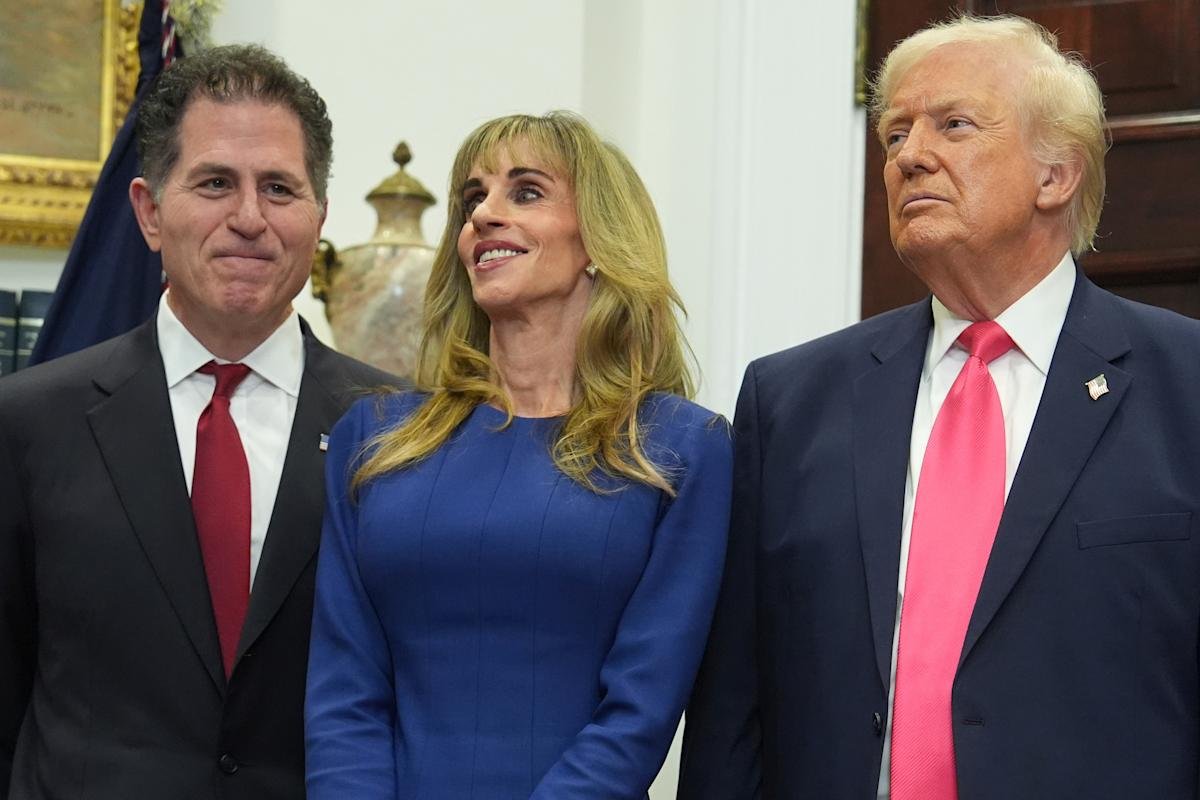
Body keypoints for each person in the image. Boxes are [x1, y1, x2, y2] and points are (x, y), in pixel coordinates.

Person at [679, 13, 1200, 800]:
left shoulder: (1183, 384)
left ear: (1056, 174)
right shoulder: (790, 403)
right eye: (895, 135)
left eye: (953, 125)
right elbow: (733, 708)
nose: (909, 156)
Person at [0, 45, 395, 800]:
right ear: (149, 212)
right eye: (215, 183)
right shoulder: (27, 424)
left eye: (279, 188)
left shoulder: (396, 433)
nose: (249, 218)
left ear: (318, 219)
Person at [304, 110, 733, 798]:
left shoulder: (680, 448)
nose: (483, 214)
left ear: (598, 239)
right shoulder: (372, 439)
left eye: (526, 192)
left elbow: (639, 711)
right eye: (474, 197)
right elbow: (342, 693)